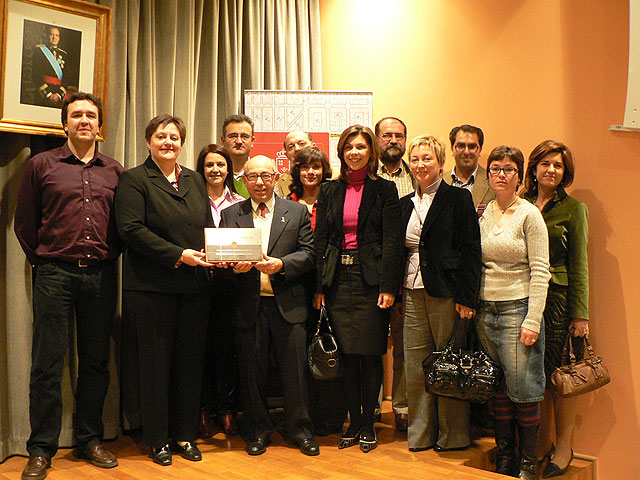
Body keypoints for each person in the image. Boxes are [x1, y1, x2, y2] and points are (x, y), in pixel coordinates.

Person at [14, 92, 122, 480]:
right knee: (47, 364)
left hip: (101, 276)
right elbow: (25, 224)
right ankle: (41, 449)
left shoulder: (115, 171)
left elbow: (123, 227)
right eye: (77, 115)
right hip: (54, 275)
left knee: (95, 362)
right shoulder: (40, 165)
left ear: (100, 126)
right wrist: (45, 262)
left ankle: (89, 440)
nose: (84, 120)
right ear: (65, 124)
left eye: (91, 115)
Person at [115, 114, 213, 466]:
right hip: (151, 289)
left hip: (194, 288)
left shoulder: (194, 179)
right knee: (155, 367)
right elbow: (130, 230)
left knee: (190, 363)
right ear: (148, 142)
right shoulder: (134, 179)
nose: (168, 142)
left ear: (182, 143)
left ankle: (185, 434)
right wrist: (178, 255)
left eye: (174, 137)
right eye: (161, 136)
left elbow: (207, 225)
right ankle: (158, 439)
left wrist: (219, 253)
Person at [220, 155, 319, 457]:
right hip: (249, 306)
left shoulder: (296, 211)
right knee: (252, 375)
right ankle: (257, 431)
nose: (260, 182)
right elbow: (222, 259)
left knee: (295, 374)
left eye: (265, 176)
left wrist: (282, 265)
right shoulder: (230, 214)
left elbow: (309, 253)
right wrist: (233, 268)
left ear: (276, 178)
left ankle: (300, 431)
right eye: (253, 177)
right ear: (244, 181)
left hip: (288, 306)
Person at [314, 124, 403, 453]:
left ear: (371, 152)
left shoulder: (385, 190)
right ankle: (353, 422)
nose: (354, 152)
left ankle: (368, 424)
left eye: (361, 147)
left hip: (371, 283)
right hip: (338, 280)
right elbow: (322, 239)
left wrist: (388, 287)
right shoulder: (329, 190)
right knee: (347, 356)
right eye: (349, 147)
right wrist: (320, 286)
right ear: (341, 152)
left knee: (370, 354)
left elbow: (392, 242)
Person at [399, 135, 481, 452]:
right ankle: (420, 435)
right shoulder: (405, 203)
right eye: (415, 159)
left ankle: (453, 435)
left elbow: (471, 250)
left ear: (441, 163)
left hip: (446, 293)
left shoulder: (458, 199)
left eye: (427, 158)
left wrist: (466, 298)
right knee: (416, 366)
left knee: (449, 364)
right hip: (412, 292)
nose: (420, 164)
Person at [475, 146, 551, 480]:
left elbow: (541, 270)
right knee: (499, 387)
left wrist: (532, 319)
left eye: (508, 169)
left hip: (518, 309)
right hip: (485, 310)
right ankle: (505, 457)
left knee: (524, 389)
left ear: (520, 176)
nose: (501, 174)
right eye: (495, 168)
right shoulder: (483, 212)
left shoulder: (529, 215)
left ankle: (528, 462)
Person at [523, 141, 589, 478]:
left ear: (565, 172)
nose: (551, 170)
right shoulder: (520, 204)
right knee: (532, 375)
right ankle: (540, 442)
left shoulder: (574, 209)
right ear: (534, 168)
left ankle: (563, 446)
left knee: (562, 377)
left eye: (558, 165)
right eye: (546, 163)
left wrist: (581, 314)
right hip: (523, 297)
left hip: (559, 300)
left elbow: (580, 264)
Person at [195, 144, 244, 438]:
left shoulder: (240, 202)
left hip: (229, 285)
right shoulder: (191, 200)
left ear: (228, 169)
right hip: (197, 282)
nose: (215, 170)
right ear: (201, 169)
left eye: (220, 165)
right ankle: (201, 411)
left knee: (226, 350)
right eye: (209, 165)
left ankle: (226, 410)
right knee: (198, 349)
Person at [375, 116, 415, 432]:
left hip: (407, 272)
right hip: (372, 271)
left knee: (404, 345)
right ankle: (372, 405)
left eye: (399, 135)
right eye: (387, 135)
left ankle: (402, 407)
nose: (393, 140)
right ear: (377, 139)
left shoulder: (416, 177)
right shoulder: (365, 176)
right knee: (372, 344)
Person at [444, 125, 495, 212]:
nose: (466, 152)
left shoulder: (492, 182)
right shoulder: (440, 181)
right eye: (461, 146)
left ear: (480, 150)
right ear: (452, 149)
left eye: (472, 147)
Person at [220, 114, 255, 198]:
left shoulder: (261, 176)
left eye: (244, 136)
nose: (239, 141)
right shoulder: (215, 175)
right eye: (233, 136)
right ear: (223, 141)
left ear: (252, 141)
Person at [31, 26, 67, 107]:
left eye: (57, 35)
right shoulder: (39, 51)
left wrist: (59, 94)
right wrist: (48, 94)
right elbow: (36, 74)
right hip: (43, 94)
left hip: (58, 94)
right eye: (51, 35)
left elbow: (67, 77)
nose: (54, 37)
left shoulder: (64, 54)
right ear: (47, 35)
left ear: (59, 38)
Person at [275, 130, 315, 197]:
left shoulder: (332, 177)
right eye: (291, 147)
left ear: (314, 147)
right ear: (286, 155)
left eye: (301, 144)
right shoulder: (280, 183)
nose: (297, 149)